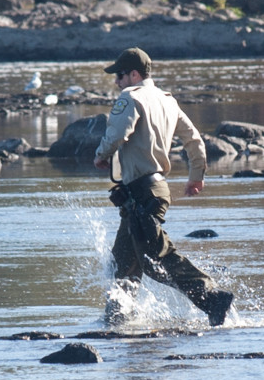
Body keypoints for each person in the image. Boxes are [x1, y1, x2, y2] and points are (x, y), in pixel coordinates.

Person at [93, 47, 234, 326]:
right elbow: (194, 140)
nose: (117, 82)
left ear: (134, 74)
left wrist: (101, 154)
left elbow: (119, 133)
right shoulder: (168, 100)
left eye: (120, 75)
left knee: (154, 259)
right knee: (123, 262)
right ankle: (116, 317)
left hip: (143, 192)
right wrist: (196, 175)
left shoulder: (130, 98)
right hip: (151, 191)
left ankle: (212, 296)